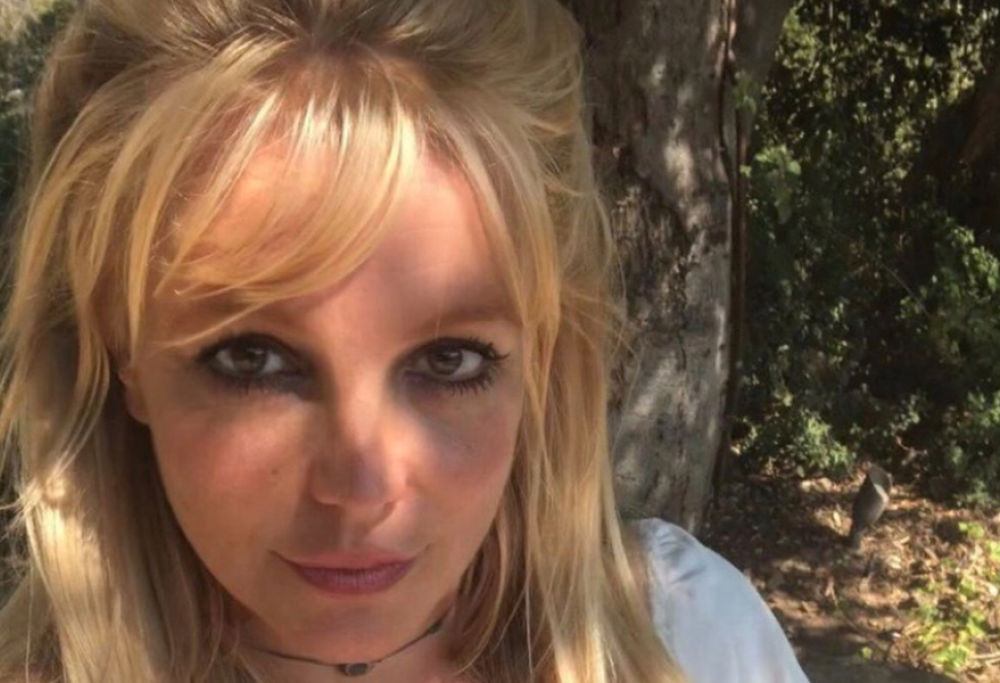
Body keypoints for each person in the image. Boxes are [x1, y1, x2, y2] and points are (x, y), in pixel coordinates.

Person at [0, 1, 812, 682]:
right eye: (251, 359)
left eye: (449, 360)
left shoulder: (692, 642)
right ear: (123, 352)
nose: (362, 488)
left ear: (541, 352)